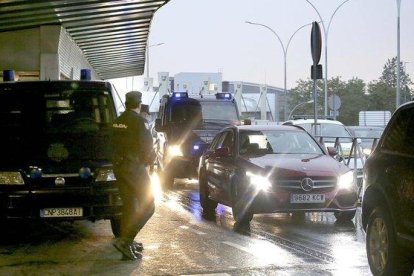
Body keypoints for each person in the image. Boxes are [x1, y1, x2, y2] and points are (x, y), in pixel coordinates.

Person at [111, 91, 155, 260]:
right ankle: (126, 240)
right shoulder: (139, 121)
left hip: (120, 167)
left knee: (129, 206)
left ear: (126, 102)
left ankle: (125, 247)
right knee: (149, 205)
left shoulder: (117, 122)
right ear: (139, 104)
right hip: (135, 168)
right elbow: (148, 147)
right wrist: (148, 162)